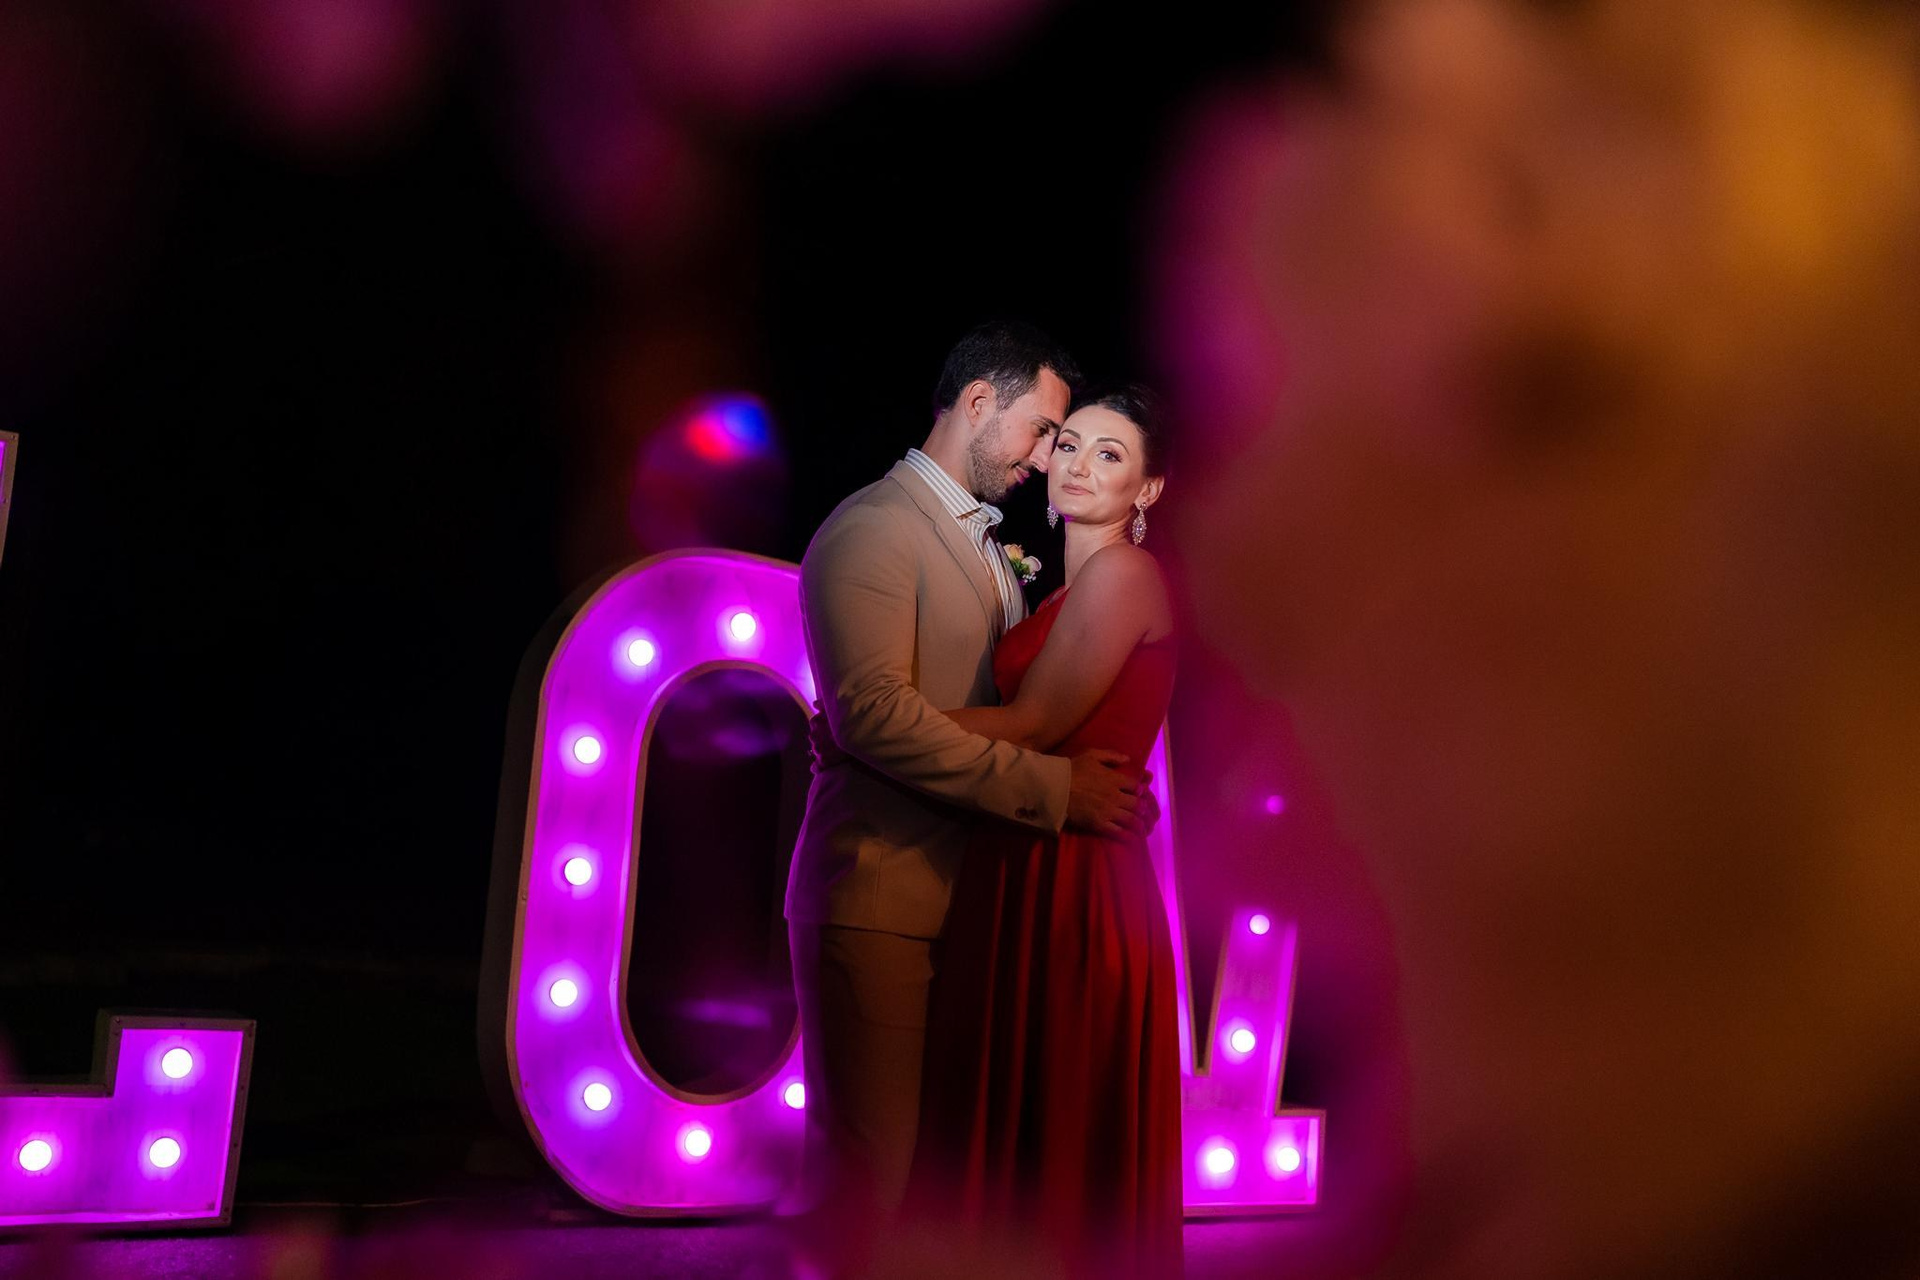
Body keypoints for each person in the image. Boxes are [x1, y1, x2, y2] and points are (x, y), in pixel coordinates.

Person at [785, 323, 1148, 1267]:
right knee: (874, 1183)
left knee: (944, 1196)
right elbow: (876, 717)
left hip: (978, 910)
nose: (1048, 457)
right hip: (882, 899)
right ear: (980, 403)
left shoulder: (989, 544)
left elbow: (937, 712)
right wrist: (1052, 788)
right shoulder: (874, 528)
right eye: (1043, 431)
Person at [908, 386, 1183, 1278]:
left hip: (1075, 883)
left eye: (1110, 454)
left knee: (1055, 1137)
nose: (1078, 464)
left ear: (1148, 490)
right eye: (1068, 444)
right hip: (1026, 855)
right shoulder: (1059, 592)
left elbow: (1031, 724)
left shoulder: (1124, 575)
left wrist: (867, 726)